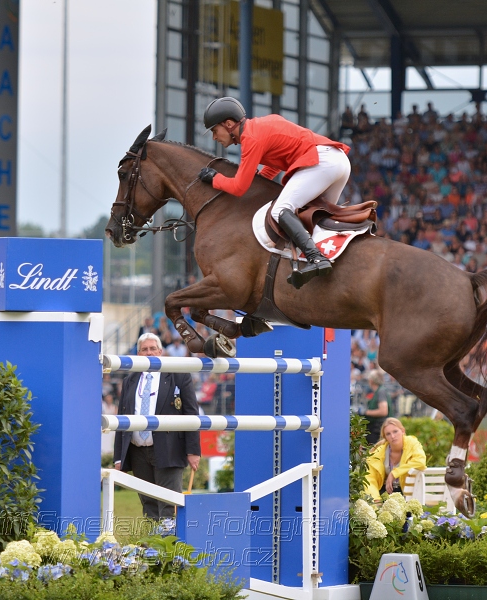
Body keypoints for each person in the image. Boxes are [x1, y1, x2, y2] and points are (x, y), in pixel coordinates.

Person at [199, 97, 351, 288]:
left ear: (228, 124)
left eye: (215, 130)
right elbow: (272, 168)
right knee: (313, 220)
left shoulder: (251, 138)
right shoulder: (259, 128)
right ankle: (331, 261)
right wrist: (260, 183)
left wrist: (215, 179)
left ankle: (316, 258)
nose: (214, 137)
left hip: (323, 163)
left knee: (280, 210)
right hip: (337, 162)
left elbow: (239, 187)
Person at [113, 333, 201, 520]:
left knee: (168, 504)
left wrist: (193, 450)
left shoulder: (179, 375)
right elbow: (121, 418)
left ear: (160, 352)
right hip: (138, 452)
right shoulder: (130, 380)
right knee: (148, 503)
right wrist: (118, 457)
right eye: (144, 349)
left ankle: (168, 545)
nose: (149, 352)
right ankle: (152, 546)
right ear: (138, 354)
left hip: (169, 449)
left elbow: (192, 413)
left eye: (153, 348)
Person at [364, 417, 427, 502]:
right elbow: (369, 478)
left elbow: (420, 462)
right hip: (386, 493)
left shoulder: (412, 444)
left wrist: (394, 473)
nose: (393, 436)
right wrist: (376, 500)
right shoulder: (378, 453)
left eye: (395, 431)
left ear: (403, 431)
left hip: (408, 494)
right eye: (388, 434)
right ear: (385, 437)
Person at [358, 369, 389, 445]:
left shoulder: (381, 391)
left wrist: (365, 412)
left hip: (378, 429)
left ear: (371, 381)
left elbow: (383, 411)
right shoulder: (379, 391)